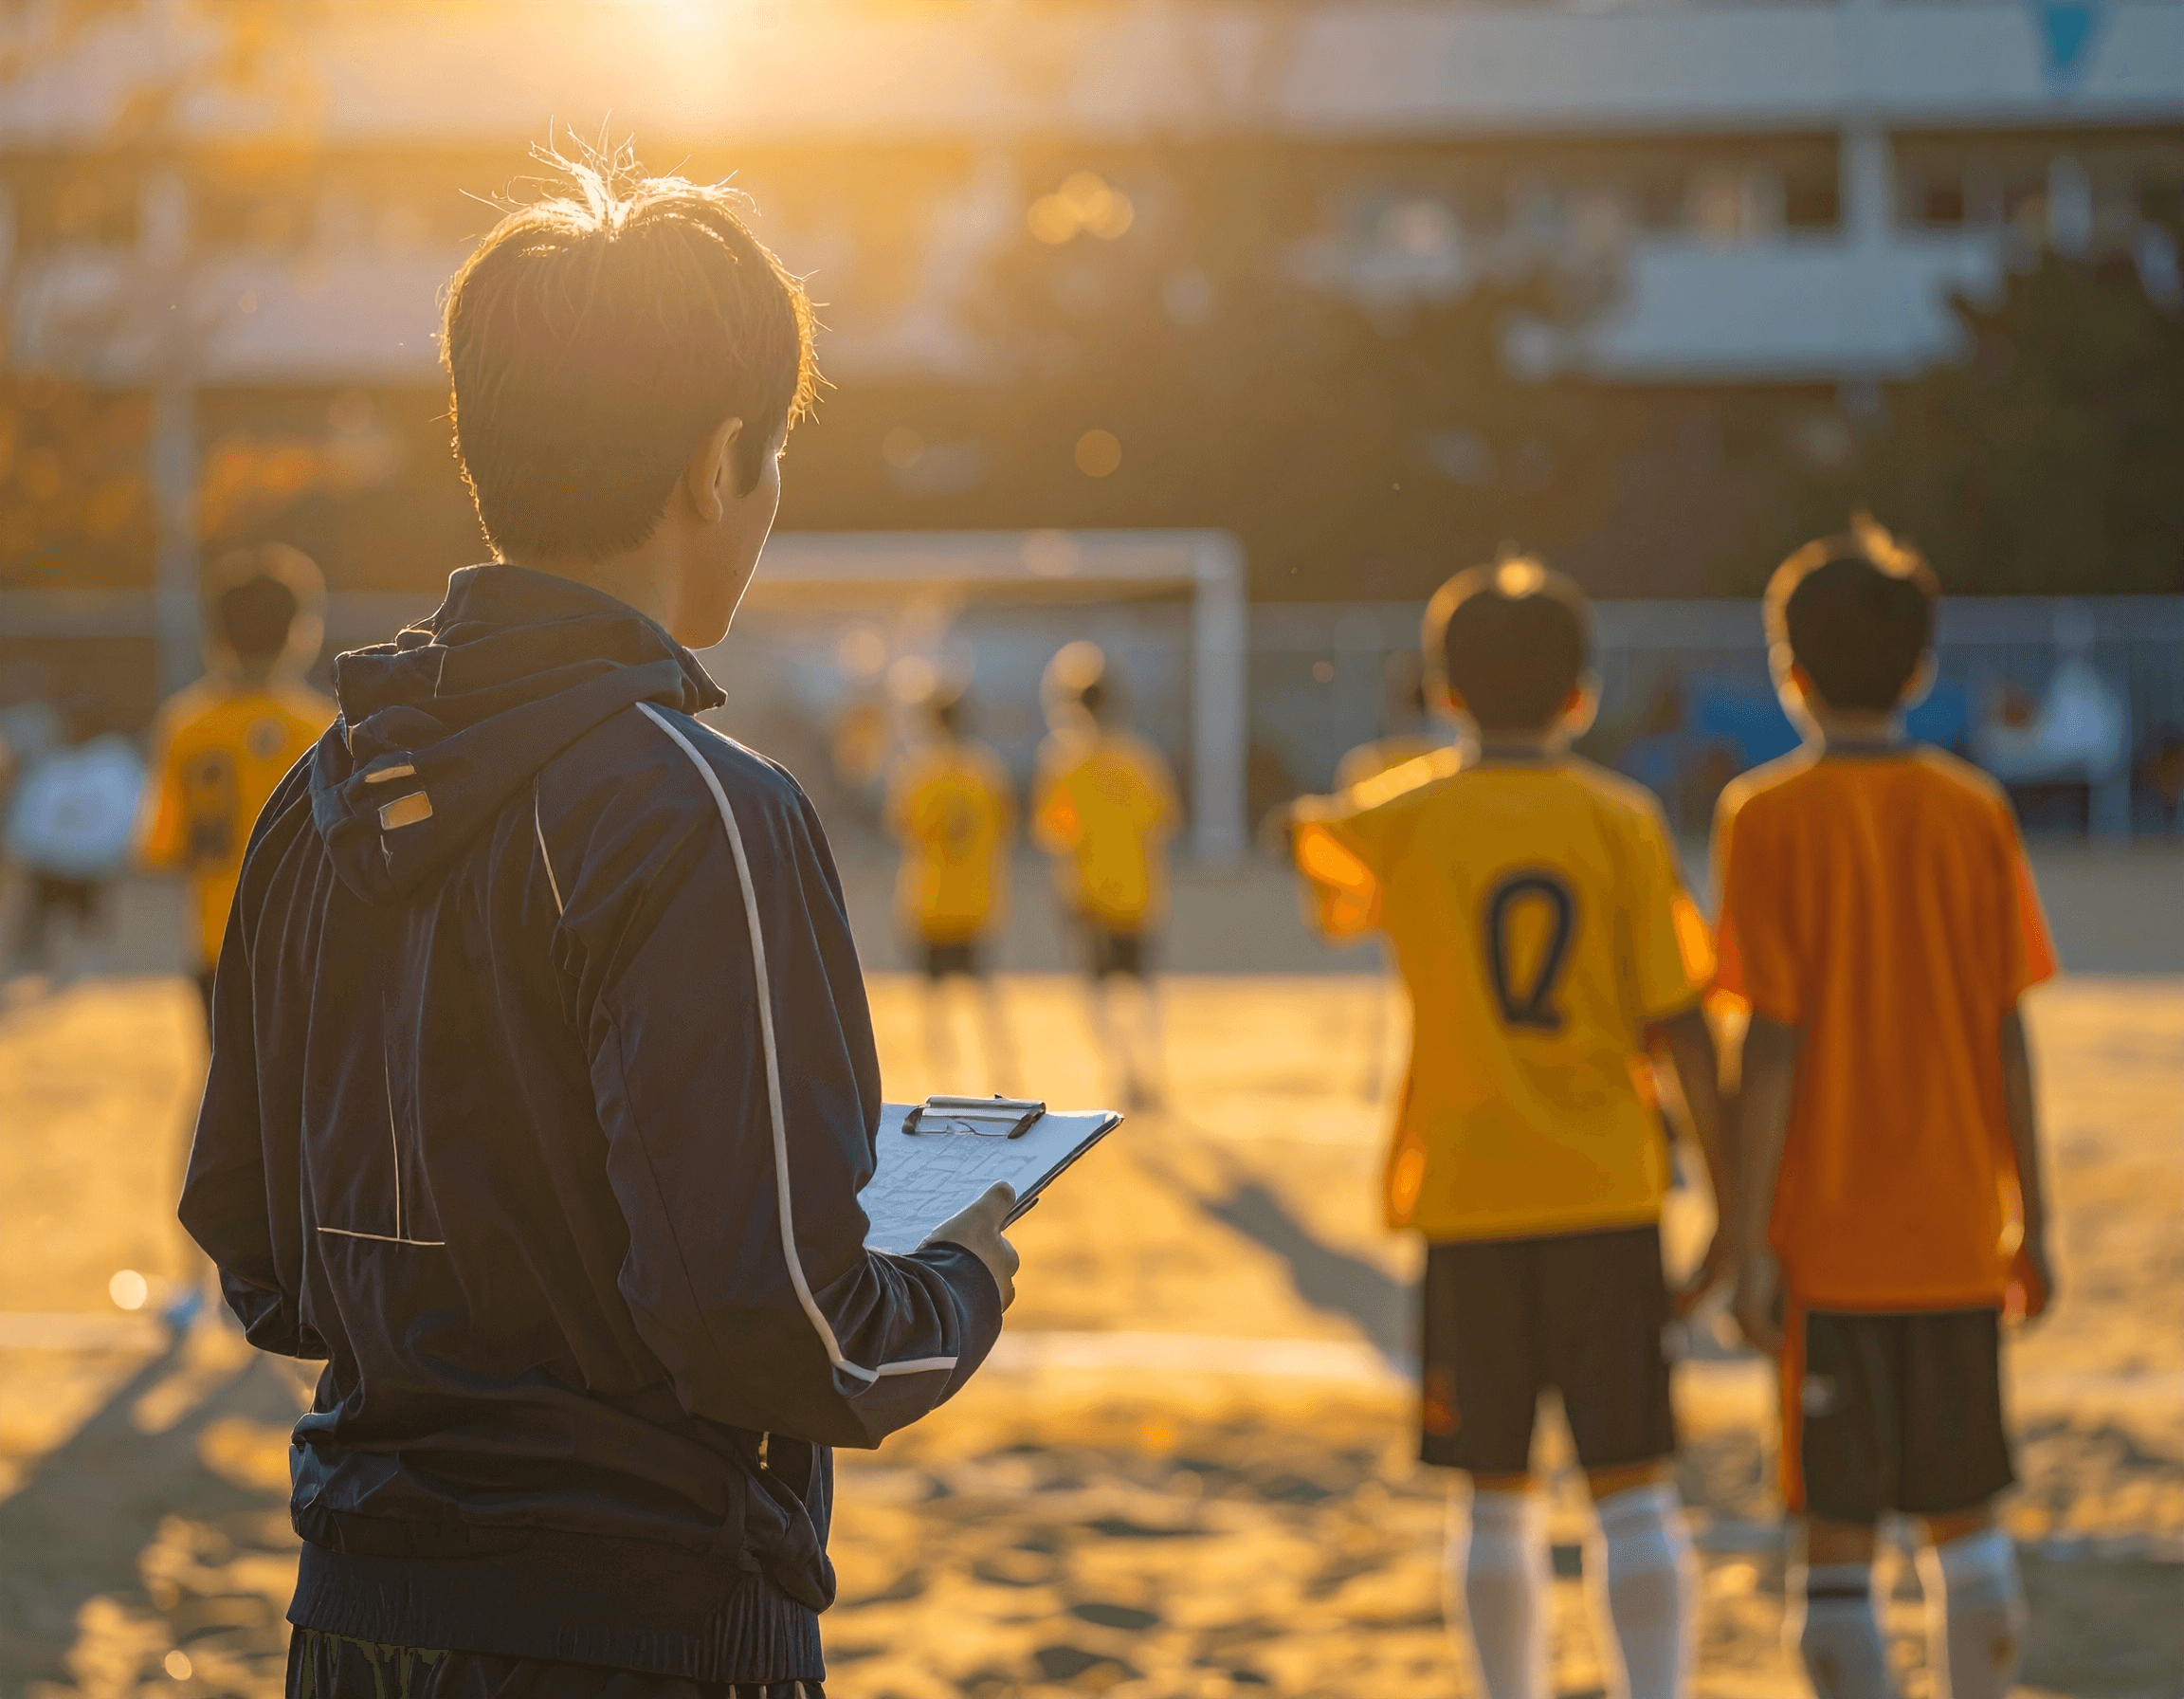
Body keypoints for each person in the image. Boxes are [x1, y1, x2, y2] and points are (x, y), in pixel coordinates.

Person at [177, 147, 1020, 1699]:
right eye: (772, 462)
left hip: (354, 1613)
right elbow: (774, 1330)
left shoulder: (324, 787)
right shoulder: (695, 806)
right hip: (643, 1614)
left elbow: (260, 1254)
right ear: (717, 464)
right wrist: (958, 1270)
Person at [1286, 559, 1729, 1699]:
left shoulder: (1411, 814)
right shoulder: (1621, 821)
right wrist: (1731, 1206)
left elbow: (1321, 852)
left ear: (1442, 691)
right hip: (1608, 1193)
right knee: (1632, 1485)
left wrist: (1388, 786)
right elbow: (1682, 1028)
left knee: (1492, 1491)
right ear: (1583, 696)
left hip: (1469, 1194)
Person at [1719, 523, 2056, 1699]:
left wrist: (1747, 1236)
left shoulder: (1762, 817)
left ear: (1788, 670)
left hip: (1833, 1245)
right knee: (1971, 1529)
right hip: (1961, 1231)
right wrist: (2037, 1218)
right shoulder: (1975, 810)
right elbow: (2008, 1029)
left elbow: (1771, 1042)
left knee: (1838, 1554)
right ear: (1920, 670)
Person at [138, 545, 334, 1021]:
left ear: (215, 637)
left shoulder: (185, 725)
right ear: (301, 635)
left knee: (228, 1080)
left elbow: (162, 847)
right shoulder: (323, 729)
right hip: (304, 937)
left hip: (218, 938)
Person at [1031, 643, 1177, 1109]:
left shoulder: (1064, 761)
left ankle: (1123, 1075)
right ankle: (1152, 1072)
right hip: (1139, 892)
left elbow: (1053, 832)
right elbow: (1164, 821)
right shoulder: (1140, 758)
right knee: (1142, 986)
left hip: (1089, 896)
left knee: (1099, 992)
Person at [883, 680, 1019, 1089]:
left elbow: (902, 829)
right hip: (978, 900)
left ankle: (945, 1080)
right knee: (986, 996)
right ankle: (1002, 1074)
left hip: (930, 902)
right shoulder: (987, 771)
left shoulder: (917, 773)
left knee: (934, 1001)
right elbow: (1004, 830)